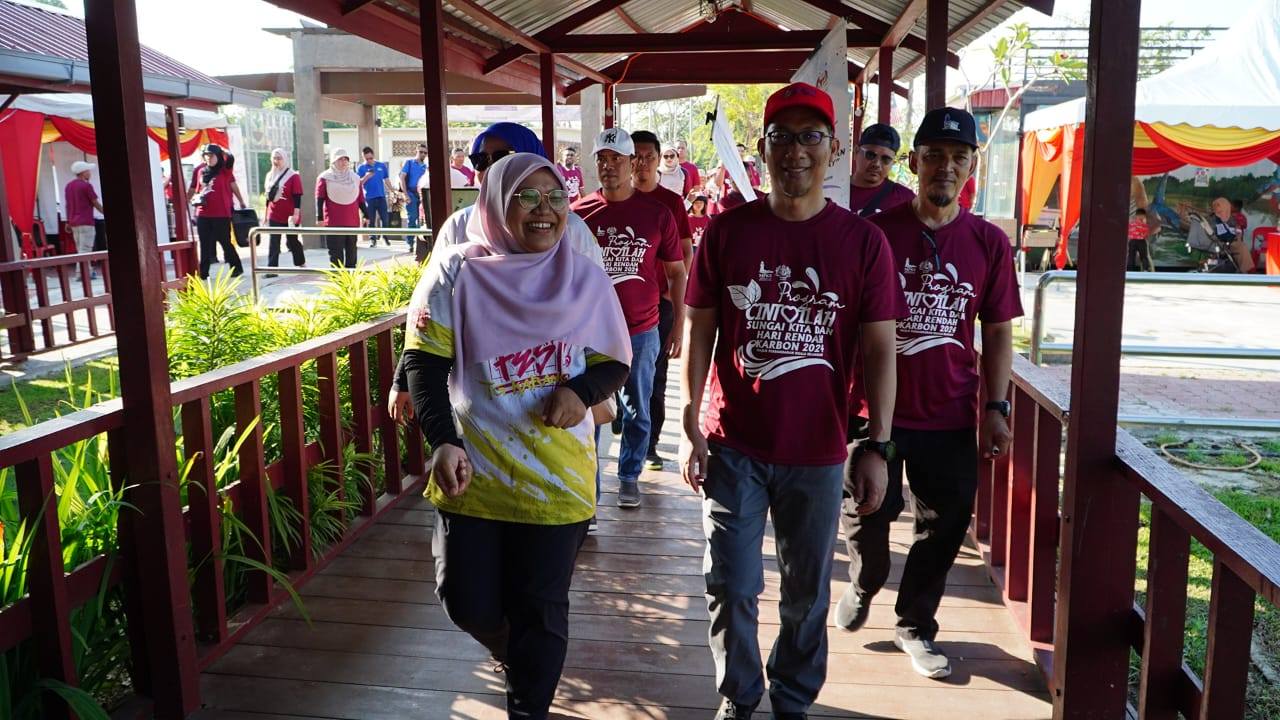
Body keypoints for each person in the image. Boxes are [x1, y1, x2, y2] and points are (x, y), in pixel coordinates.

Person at [681, 82, 902, 720]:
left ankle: (794, 699)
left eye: (811, 137)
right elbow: (700, 333)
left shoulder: (862, 244)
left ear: (834, 150)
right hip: (734, 440)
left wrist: (877, 445)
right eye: (782, 136)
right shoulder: (727, 233)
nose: (796, 151)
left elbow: (881, 351)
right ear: (762, 148)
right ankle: (740, 697)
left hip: (819, 447)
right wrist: (691, 422)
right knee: (731, 583)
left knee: (805, 592)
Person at [404, 152, 631, 720]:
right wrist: (442, 440)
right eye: (526, 197)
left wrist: (580, 392)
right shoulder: (456, 270)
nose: (543, 211)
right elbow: (424, 363)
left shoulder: (584, 275)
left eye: (555, 197)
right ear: (496, 203)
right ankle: (517, 654)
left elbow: (613, 361)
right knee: (464, 600)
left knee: (542, 608)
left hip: (557, 480)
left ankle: (528, 705)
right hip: (472, 470)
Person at [837, 107, 1023, 682]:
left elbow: (995, 331)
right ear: (914, 162)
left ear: (973, 165)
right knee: (867, 513)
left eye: (959, 157)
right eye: (935, 155)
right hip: (874, 411)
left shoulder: (989, 243)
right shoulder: (875, 234)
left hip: (948, 411)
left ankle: (915, 624)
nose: (946, 166)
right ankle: (866, 580)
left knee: (941, 526)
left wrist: (995, 407)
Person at [572, 128, 687, 509]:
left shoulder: (658, 213)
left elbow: (676, 272)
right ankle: (590, 491)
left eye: (616, 159)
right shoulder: (577, 214)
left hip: (642, 329)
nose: (608, 166)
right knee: (589, 412)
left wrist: (679, 326)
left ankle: (629, 477)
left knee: (638, 408)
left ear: (632, 162)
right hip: (590, 332)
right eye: (601, 159)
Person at [630, 130, 693, 472]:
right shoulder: (611, 200)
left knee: (655, 375)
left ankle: (650, 444)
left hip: (660, 305)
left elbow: (685, 251)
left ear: (659, 160)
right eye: (636, 156)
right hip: (616, 306)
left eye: (649, 157)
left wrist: (675, 296)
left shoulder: (671, 202)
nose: (642, 163)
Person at [191, 143, 246, 280]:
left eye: (212, 155)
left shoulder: (225, 171)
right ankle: (203, 272)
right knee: (204, 243)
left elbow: (231, 158)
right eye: (207, 155)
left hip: (221, 214)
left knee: (225, 242)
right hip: (203, 213)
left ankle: (236, 268)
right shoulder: (201, 171)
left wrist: (221, 149)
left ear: (218, 156)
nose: (209, 158)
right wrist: (193, 205)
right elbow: (198, 190)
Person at [848, 123, 915, 217]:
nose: (876, 164)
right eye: (870, 155)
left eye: (885, 159)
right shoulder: (833, 189)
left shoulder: (904, 198)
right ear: (856, 152)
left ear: (893, 162)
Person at [317, 148, 366, 268]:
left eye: (345, 159)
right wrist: (320, 217)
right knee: (336, 254)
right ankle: (337, 281)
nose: (343, 162)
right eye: (340, 159)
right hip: (334, 221)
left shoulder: (355, 178)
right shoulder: (325, 177)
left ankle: (350, 282)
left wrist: (366, 214)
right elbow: (319, 198)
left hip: (352, 220)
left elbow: (360, 199)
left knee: (352, 253)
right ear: (334, 161)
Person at [263, 148, 305, 275]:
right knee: (274, 241)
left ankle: (300, 262)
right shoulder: (270, 175)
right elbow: (268, 196)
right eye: (274, 158)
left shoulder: (293, 176)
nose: (276, 161)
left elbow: (297, 195)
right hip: (274, 213)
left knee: (292, 240)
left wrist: (296, 213)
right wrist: (266, 215)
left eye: (279, 158)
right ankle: (272, 269)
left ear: (285, 159)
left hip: (290, 214)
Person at [64, 161, 103, 274]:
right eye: (88, 171)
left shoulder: (69, 186)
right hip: (86, 221)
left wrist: (68, 221)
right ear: (83, 173)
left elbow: (68, 205)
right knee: (85, 249)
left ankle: (87, 271)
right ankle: (81, 272)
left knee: (80, 248)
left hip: (74, 222)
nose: (90, 173)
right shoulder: (86, 186)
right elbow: (95, 202)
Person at [357, 146, 393, 247]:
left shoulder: (381, 165)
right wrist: (367, 176)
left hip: (381, 196)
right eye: (366, 159)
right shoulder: (361, 168)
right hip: (369, 197)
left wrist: (392, 191)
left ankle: (385, 237)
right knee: (371, 220)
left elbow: (386, 179)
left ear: (373, 156)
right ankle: (373, 239)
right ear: (363, 157)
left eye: (371, 158)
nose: (369, 160)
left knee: (385, 219)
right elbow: (359, 183)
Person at [399, 143, 429, 251]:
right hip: (411, 193)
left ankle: (421, 244)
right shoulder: (409, 163)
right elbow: (402, 177)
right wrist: (405, 194)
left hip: (423, 195)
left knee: (422, 220)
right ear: (416, 151)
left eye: (425, 153)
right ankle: (410, 242)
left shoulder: (426, 166)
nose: (423, 154)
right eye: (421, 152)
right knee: (412, 218)